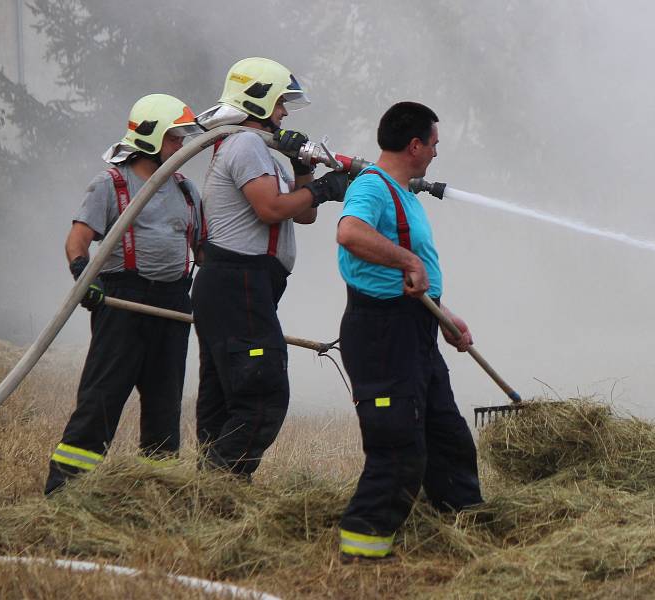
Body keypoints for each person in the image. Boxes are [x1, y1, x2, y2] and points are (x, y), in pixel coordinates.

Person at [336, 101, 483, 562]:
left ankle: (465, 532)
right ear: (415, 145)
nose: (436, 154)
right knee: (398, 446)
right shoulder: (373, 187)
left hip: (415, 327)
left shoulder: (404, 195)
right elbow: (349, 232)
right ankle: (363, 551)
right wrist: (408, 260)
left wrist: (444, 317)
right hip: (382, 333)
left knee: (447, 435)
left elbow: (414, 281)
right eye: (434, 144)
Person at [192, 57, 348, 478]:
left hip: (241, 288)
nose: (283, 114)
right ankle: (220, 481)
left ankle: (207, 494)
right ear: (258, 100)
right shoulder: (244, 145)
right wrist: (325, 188)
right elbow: (270, 208)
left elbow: (302, 215)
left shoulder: (257, 150)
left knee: (227, 397)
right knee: (263, 394)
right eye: (280, 104)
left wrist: (303, 171)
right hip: (236, 284)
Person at [45, 94, 204, 494]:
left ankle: (155, 493)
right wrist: (84, 276)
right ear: (149, 138)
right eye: (173, 138)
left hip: (172, 305)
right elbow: (78, 239)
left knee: (165, 408)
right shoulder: (111, 184)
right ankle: (64, 493)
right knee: (101, 399)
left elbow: (203, 250)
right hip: (122, 301)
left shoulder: (187, 191)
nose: (181, 146)